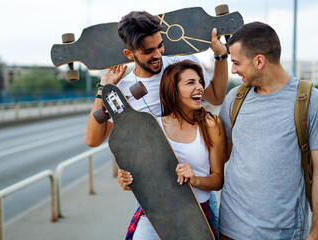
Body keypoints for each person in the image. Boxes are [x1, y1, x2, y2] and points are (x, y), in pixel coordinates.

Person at [85, 10, 228, 237]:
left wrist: (221, 57)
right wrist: (104, 89)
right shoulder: (124, 89)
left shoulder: (183, 65)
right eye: (148, 51)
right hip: (155, 195)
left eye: (160, 46)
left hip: (195, 189)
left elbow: (217, 97)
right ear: (129, 54)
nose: (158, 55)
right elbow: (93, 139)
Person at [218, 21, 318, 240]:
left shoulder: (310, 101)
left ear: (259, 61)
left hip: (283, 234)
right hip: (230, 230)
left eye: (236, 62)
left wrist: (316, 231)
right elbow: (214, 157)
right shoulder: (234, 99)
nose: (233, 70)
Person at [119, 60, 225, 239]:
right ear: (172, 90)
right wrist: (128, 181)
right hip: (155, 215)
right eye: (191, 83)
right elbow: (145, 179)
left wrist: (196, 180)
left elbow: (218, 179)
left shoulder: (211, 124)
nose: (199, 87)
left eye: (200, 82)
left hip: (195, 216)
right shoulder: (154, 127)